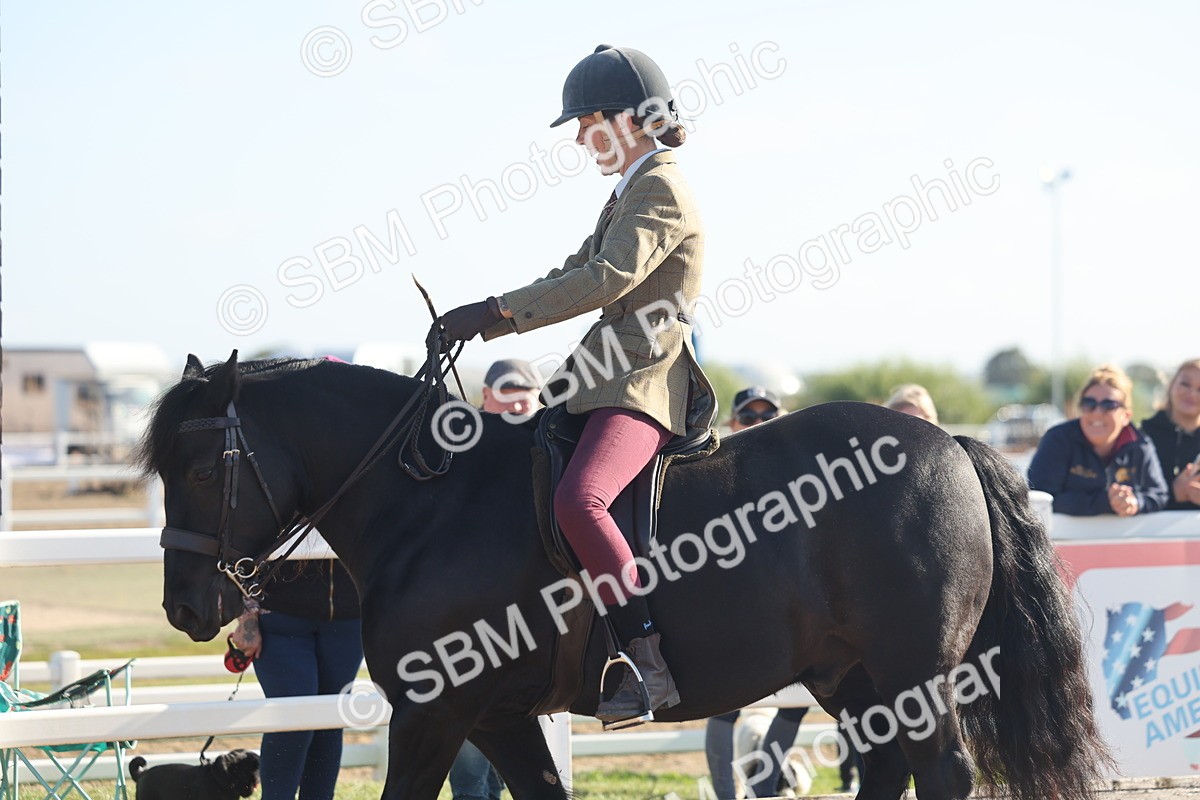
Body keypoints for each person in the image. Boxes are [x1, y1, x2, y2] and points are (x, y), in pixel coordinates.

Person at [438, 44, 716, 723]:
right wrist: (491, 316)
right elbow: (573, 267)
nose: (584, 142)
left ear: (627, 120)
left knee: (580, 499)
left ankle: (646, 662)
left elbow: (605, 280)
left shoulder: (662, 186)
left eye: (589, 125)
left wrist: (499, 310)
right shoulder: (628, 190)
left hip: (642, 377)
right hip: (598, 375)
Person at [446, 359, 543, 800]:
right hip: (468, 619)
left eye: (524, 392)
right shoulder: (459, 451)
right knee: (470, 768)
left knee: (511, 760)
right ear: (485, 397)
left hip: (530, 623)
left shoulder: (551, 446)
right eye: (506, 393)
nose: (517, 401)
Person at [707, 386, 806, 798]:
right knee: (723, 704)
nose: (759, 424)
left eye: (769, 416)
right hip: (737, 609)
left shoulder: (804, 475)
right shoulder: (715, 472)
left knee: (800, 700)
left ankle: (764, 791)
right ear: (733, 424)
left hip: (792, 611)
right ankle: (728, 796)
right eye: (749, 417)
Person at [229, 559, 362, 800]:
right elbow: (243, 543)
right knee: (291, 722)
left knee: (330, 724)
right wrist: (247, 616)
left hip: (349, 620)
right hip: (278, 618)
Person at [1027, 365, 1169, 516]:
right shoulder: (1057, 439)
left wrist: (1135, 502)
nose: (1097, 412)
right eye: (1089, 403)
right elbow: (1040, 498)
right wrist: (1106, 502)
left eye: (1109, 405)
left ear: (1126, 416)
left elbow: (1159, 495)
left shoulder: (1140, 446)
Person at [1141, 358, 1200, 510]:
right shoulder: (1144, 435)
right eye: (1185, 384)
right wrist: (1174, 492)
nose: (1192, 393)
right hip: (1149, 531)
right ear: (1171, 385)